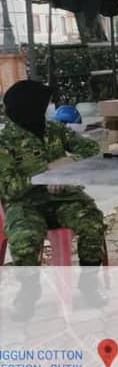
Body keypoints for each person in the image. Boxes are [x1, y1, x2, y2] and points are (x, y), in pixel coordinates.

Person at [0, 80, 105, 267]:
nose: (45, 108)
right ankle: (30, 283)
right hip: (26, 205)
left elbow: (92, 149)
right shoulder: (5, 140)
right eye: (41, 104)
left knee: (92, 224)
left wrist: (69, 164)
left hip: (66, 198)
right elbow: (9, 189)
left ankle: (89, 280)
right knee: (24, 242)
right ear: (29, 107)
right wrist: (47, 172)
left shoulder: (54, 129)